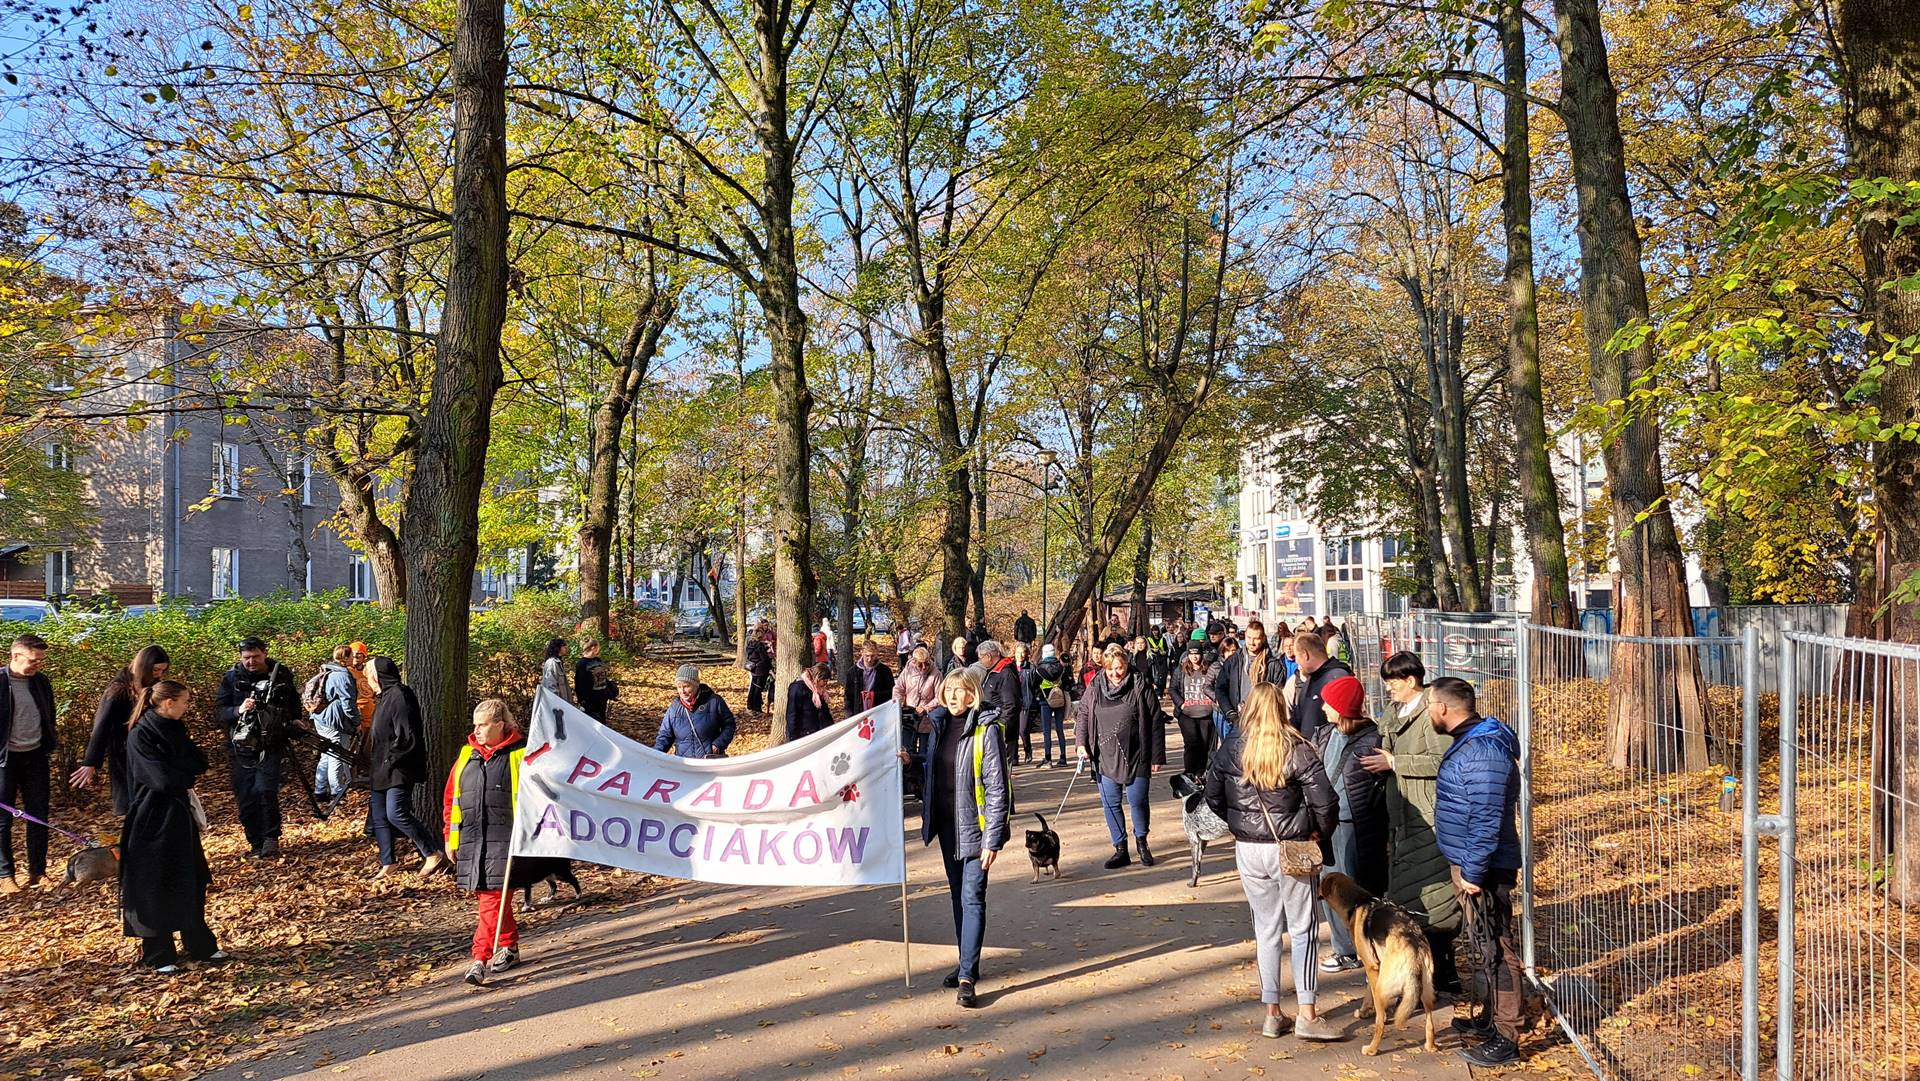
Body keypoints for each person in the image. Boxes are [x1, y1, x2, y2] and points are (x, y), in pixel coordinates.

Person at [1204, 683, 1341, 1042]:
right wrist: (1316, 833)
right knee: (1303, 928)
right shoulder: (1298, 748)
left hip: (1249, 848)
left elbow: (1213, 795)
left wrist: (1239, 824)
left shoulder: (1232, 747)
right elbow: (1325, 802)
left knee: (1265, 930)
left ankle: (1272, 1013)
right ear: (1283, 708)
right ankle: (1307, 1013)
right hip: (1291, 846)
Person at [1430, 676, 1524, 1067]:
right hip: (1474, 863)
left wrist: (1472, 871)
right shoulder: (1471, 744)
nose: (1427, 712)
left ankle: (1507, 1035)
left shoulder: (1482, 752)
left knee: (1499, 948)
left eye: (1429, 706)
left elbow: (1486, 819)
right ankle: (1492, 1019)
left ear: (1444, 709)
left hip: (1484, 869)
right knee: (1487, 946)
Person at [905, 666, 1008, 1008]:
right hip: (947, 826)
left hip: (976, 829)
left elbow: (997, 788)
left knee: (973, 897)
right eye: (948, 690)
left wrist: (993, 839)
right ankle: (969, 962)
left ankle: (966, 977)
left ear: (972, 694)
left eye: (959, 691)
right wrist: (911, 759)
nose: (952, 696)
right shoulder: (937, 725)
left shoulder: (985, 730)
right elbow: (937, 768)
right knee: (957, 898)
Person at [1359, 651, 1462, 993]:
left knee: (1433, 896)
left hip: (1426, 813)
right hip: (1399, 811)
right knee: (1407, 894)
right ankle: (1421, 970)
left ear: (1411, 681)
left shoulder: (1430, 713)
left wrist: (1396, 762)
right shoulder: (1393, 712)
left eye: (1393, 683)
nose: (1388, 689)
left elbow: (1442, 759)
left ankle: (1442, 970)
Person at [119, 679, 227, 971]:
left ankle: (200, 945)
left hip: (179, 816)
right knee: (155, 884)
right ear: (169, 702)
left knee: (189, 879)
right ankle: (159, 953)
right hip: (151, 819)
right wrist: (184, 773)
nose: (187, 706)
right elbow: (161, 779)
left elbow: (198, 762)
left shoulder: (176, 728)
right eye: (185, 701)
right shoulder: (140, 734)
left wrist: (183, 772)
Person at [442, 698, 527, 984]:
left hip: (507, 841)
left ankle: (479, 959)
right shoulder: (467, 755)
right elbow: (451, 799)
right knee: (490, 897)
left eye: (483, 725)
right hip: (472, 840)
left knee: (492, 899)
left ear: (500, 725)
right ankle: (510, 946)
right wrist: (449, 837)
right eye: (475, 725)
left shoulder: (521, 754)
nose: (476, 730)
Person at [1312, 674, 1386, 974]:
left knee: (1347, 890)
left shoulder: (1370, 741)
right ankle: (1349, 946)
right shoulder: (1327, 733)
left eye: (1329, 704)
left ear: (1342, 708)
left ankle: (1350, 950)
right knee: (1330, 888)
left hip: (1351, 825)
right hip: (1329, 822)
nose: (1323, 709)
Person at [1076, 641, 1166, 869]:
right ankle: (1120, 848)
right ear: (1104, 668)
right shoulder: (1095, 686)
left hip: (1137, 753)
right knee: (1111, 803)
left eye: (1120, 668)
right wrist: (1081, 743)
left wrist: (1157, 755)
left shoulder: (1139, 684)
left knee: (1137, 800)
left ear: (1126, 664)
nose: (1116, 674)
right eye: (1111, 669)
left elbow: (1155, 719)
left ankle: (1142, 842)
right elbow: (1084, 715)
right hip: (1104, 754)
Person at [214, 637, 302, 859]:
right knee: (246, 797)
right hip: (240, 746)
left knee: (265, 791)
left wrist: (295, 720)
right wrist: (238, 710)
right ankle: (255, 841)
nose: (251, 662)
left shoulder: (281, 674)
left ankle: (271, 838)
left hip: (271, 743)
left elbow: (293, 703)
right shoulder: (232, 678)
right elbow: (220, 712)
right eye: (246, 658)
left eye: (255, 657)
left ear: (264, 653)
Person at [365, 657, 448, 879]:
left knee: (396, 812)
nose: (366, 679)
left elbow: (408, 735)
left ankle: (432, 852)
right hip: (380, 767)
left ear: (377, 675)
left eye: (368, 674)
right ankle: (388, 862)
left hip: (399, 766)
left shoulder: (400, 695)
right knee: (380, 816)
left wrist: (392, 759)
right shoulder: (383, 698)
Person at [74, 645, 170, 817]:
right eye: (156, 669)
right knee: (132, 803)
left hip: (149, 751)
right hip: (124, 752)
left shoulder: (155, 685)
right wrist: (91, 762)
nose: (159, 674)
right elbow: (102, 725)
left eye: (163, 670)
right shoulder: (118, 689)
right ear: (144, 666)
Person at [0, 633, 55, 891]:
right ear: (15, 656)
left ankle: (38, 871)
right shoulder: (1, 682)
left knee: (38, 816)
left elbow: (49, 716)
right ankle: (5, 876)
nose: (38, 665)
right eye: (33, 660)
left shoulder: (41, 682)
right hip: (4, 761)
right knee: (3, 820)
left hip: (35, 756)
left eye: (41, 660)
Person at [310, 645, 362, 802]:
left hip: (321, 718)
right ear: (345, 658)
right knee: (337, 755)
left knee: (327, 754)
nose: (355, 658)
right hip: (335, 721)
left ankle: (320, 790)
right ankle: (337, 792)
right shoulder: (342, 676)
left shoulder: (327, 670)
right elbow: (348, 702)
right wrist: (356, 722)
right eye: (352, 656)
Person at [1213, 619, 1287, 727]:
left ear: (1262, 638)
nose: (1251, 642)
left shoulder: (1273, 665)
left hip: (1263, 722)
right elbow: (1220, 688)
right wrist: (1229, 712)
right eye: (1249, 638)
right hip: (1237, 719)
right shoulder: (1233, 661)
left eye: (1256, 638)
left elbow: (1279, 694)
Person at [656, 665, 739, 757]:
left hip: (710, 761)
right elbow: (664, 736)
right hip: (684, 764)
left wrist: (718, 744)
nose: (682, 691)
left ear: (696, 685)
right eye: (679, 687)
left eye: (686, 686)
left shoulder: (714, 702)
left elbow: (729, 725)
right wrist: (654, 755)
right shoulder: (674, 708)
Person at [1290, 630, 1353, 743]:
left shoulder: (1336, 678)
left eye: (1296, 656)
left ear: (1305, 655)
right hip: (1310, 753)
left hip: (1328, 754)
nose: (1296, 662)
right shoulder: (1311, 679)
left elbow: (1346, 722)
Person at [1173, 646, 1218, 778]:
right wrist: (1181, 704)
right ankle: (1190, 772)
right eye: (1191, 654)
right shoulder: (1181, 669)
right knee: (1191, 744)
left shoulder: (1209, 668)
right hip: (1187, 714)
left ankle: (1202, 772)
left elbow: (1215, 685)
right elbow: (1173, 689)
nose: (1194, 657)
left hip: (1206, 714)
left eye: (1197, 654)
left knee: (1205, 745)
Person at [896, 643, 943, 756]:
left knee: (924, 752)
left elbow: (940, 697)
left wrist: (926, 708)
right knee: (906, 749)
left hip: (926, 718)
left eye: (926, 664)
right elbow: (898, 688)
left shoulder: (936, 674)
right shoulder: (907, 671)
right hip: (909, 716)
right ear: (914, 662)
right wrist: (899, 702)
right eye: (920, 665)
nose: (924, 667)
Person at [1031, 644, 1070, 768]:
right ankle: (1063, 757)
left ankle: (1048, 759)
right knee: (1060, 729)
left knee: (1047, 731)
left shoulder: (1039, 669)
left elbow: (1033, 684)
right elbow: (1067, 682)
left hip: (1045, 701)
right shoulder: (1061, 667)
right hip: (1059, 699)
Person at [976, 640, 1020, 744]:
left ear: (988, 656)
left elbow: (1011, 704)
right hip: (992, 725)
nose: (980, 661)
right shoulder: (992, 671)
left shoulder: (1006, 673)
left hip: (1002, 730)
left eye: (980, 658)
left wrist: (1001, 726)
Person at [844, 640, 895, 716]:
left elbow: (891, 693)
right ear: (861, 653)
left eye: (873, 656)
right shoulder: (853, 672)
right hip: (859, 713)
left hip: (879, 712)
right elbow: (848, 696)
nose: (870, 659)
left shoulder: (885, 671)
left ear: (877, 653)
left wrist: (874, 695)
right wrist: (849, 716)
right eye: (867, 656)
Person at [573, 639, 615, 723]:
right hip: (590, 700)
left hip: (602, 697)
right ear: (593, 648)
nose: (599, 649)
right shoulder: (582, 664)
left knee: (602, 721)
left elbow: (604, 678)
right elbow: (579, 683)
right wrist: (582, 700)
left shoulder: (598, 661)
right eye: (598, 647)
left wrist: (610, 691)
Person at [1010, 642, 1038, 764]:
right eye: (1017, 652)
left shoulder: (1031, 668)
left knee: (1022, 730)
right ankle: (1014, 756)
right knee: (1012, 730)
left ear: (1026, 654)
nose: (1020, 655)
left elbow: (1035, 685)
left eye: (1022, 652)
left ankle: (1028, 750)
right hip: (1012, 702)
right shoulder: (1009, 667)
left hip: (1025, 702)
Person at [744, 624, 774, 715]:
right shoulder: (759, 646)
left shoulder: (750, 644)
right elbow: (764, 658)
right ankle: (756, 707)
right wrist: (770, 667)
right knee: (758, 689)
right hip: (761, 669)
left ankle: (750, 706)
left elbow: (751, 655)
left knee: (753, 687)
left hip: (753, 668)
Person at [540, 638, 573, 704]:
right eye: (563, 645)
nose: (566, 647)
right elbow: (551, 686)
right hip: (557, 706)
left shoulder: (558, 663)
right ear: (557, 648)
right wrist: (557, 704)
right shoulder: (552, 663)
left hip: (563, 705)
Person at [1144, 624, 1170, 697]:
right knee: (1155, 676)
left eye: (1156, 630)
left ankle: (1161, 692)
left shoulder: (1162, 639)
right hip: (1154, 659)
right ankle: (1155, 692)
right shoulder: (1149, 639)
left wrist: (1164, 652)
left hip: (1162, 659)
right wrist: (1152, 649)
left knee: (1162, 676)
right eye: (1153, 630)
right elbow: (1146, 649)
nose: (1155, 632)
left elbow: (1166, 649)